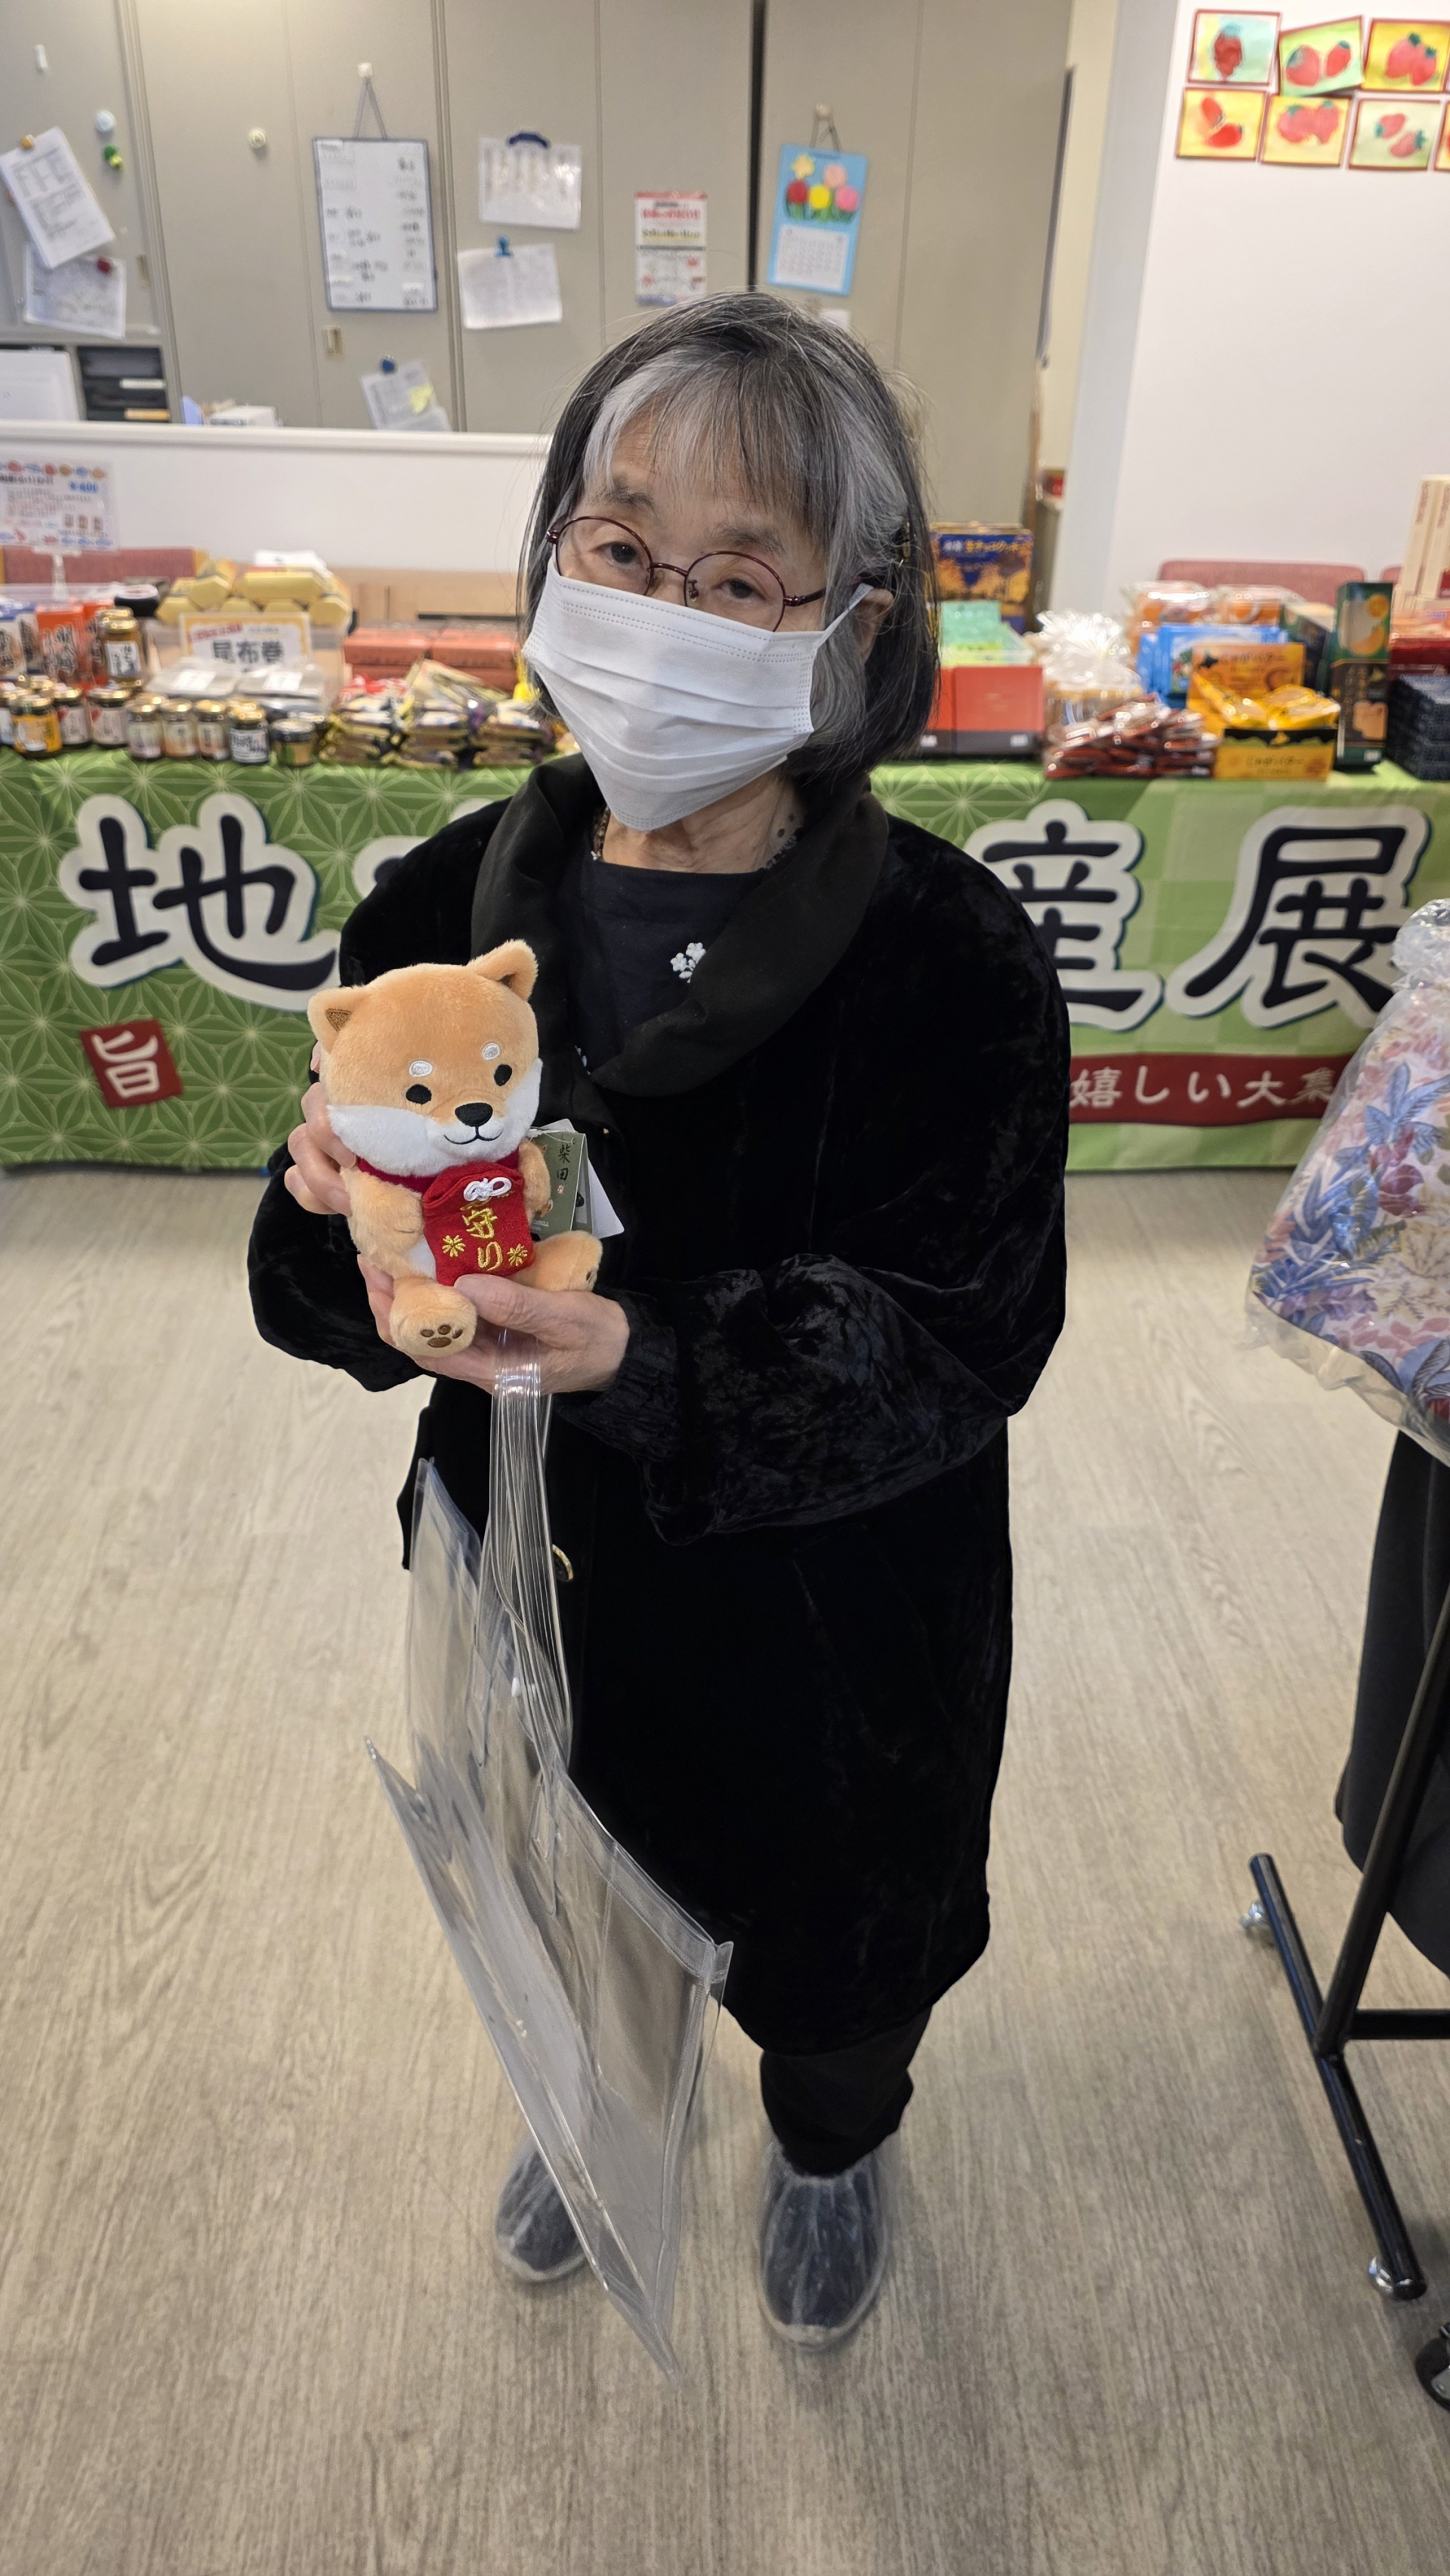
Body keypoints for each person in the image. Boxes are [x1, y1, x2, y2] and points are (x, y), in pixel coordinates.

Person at [250, 292, 1068, 2352]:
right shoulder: (441, 905)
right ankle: (596, 2096)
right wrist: (326, 1220)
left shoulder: (950, 958)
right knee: (563, 1895)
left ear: (852, 631)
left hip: (833, 1621)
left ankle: (831, 2138)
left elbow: (972, 1337)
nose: (659, 611)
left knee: (836, 1956)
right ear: (553, 556)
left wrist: (655, 1356)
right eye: (620, 548)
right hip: (529, 1573)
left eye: (737, 577)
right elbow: (319, 1295)